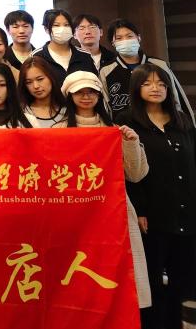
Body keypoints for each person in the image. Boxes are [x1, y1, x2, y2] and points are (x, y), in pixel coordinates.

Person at [49, 70, 151, 317]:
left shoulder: (115, 129)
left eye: (91, 92)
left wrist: (131, 142)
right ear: (69, 96)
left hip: (115, 210)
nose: (86, 97)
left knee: (121, 273)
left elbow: (136, 174)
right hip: (75, 215)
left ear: (99, 95)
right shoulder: (59, 131)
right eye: (80, 92)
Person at [123, 64, 196, 329]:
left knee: (182, 280)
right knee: (153, 281)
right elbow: (129, 173)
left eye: (161, 84)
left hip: (186, 211)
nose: (156, 88)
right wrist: (140, 209)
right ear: (136, 89)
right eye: (148, 83)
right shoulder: (128, 122)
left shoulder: (182, 120)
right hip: (152, 214)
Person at [101, 18, 194, 126]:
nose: (125, 41)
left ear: (138, 37)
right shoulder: (106, 71)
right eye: (119, 38)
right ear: (113, 43)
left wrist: (188, 127)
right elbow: (105, 107)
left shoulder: (159, 65)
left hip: (162, 127)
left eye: (129, 36)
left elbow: (177, 98)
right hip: (125, 130)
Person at [33, 8, 97, 85]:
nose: (62, 29)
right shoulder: (37, 56)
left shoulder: (84, 56)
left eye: (66, 25)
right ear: (46, 29)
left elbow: (96, 85)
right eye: (56, 25)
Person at [18, 56, 67, 127]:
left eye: (40, 79)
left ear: (51, 77)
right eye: (29, 82)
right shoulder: (21, 112)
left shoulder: (67, 111)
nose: (36, 86)